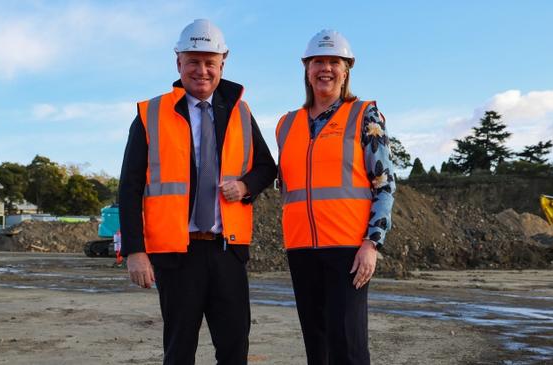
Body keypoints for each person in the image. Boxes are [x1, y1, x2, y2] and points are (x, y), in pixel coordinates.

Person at [119, 19, 277, 365]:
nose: (201, 70)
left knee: (235, 348)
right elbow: (129, 189)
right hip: (177, 255)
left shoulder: (239, 111)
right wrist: (135, 251)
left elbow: (267, 167)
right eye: (193, 61)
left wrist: (245, 186)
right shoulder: (150, 114)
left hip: (227, 251)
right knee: (179, 351)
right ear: (178, 63)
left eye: (210, 62)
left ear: (223, 62)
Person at [275, 29, 396, 365]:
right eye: (318, 61)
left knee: (348, 347)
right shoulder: (286, 125)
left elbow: (384, 184)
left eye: (333, 62)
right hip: (301, 249)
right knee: (317, 346)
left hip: (348, 250)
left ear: (346, 70)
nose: (325, 68)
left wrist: (372, 244)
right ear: (306, 68)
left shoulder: (364, 116)